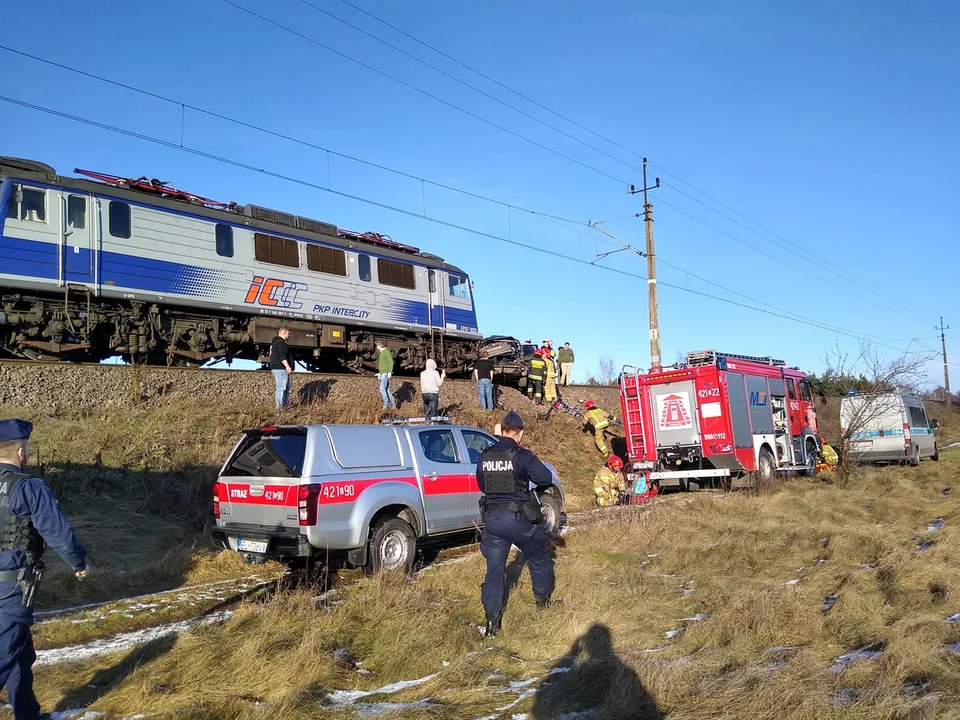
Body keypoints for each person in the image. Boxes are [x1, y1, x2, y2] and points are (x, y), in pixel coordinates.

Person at [0, 419, 88, 719]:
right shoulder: (28, 487)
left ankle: (27, 714)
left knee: (20, 652)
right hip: (10, 587)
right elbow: (57, 532)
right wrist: (78, 562)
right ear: (21, 452)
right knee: (6, 653)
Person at [476, 411, 556, 637]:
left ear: (501, 430)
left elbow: (482, 484)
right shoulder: (522, 455)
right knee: (539, 557)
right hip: (519, 520)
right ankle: (542, 603)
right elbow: (545, 479)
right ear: (519, 434)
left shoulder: (485, 455)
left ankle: (492, 625)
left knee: (494, 572)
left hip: (492, 521)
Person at [269, 327, 293, 410]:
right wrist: (287, 366)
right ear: (283, 333)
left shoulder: (274, 343)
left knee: (284, 388)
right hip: (281, 369)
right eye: (288, 334)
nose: (289, 335)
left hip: (278, 369)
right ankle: (279, 408)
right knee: (282, 388)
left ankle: (284, 406)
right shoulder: (280, 343)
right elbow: (282, 356)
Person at [376, 342, 395, 410]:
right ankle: (393, 404)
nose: (376, 347)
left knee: (382, 388)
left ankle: (385, 404)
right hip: (383, 373)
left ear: (380, 346)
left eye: (377, 345)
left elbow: (390, 361)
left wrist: (389, 372)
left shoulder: (386, 352)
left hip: (385, 373)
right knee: (387, 389)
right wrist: (380, 373)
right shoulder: (382, 352)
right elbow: (383, 364)